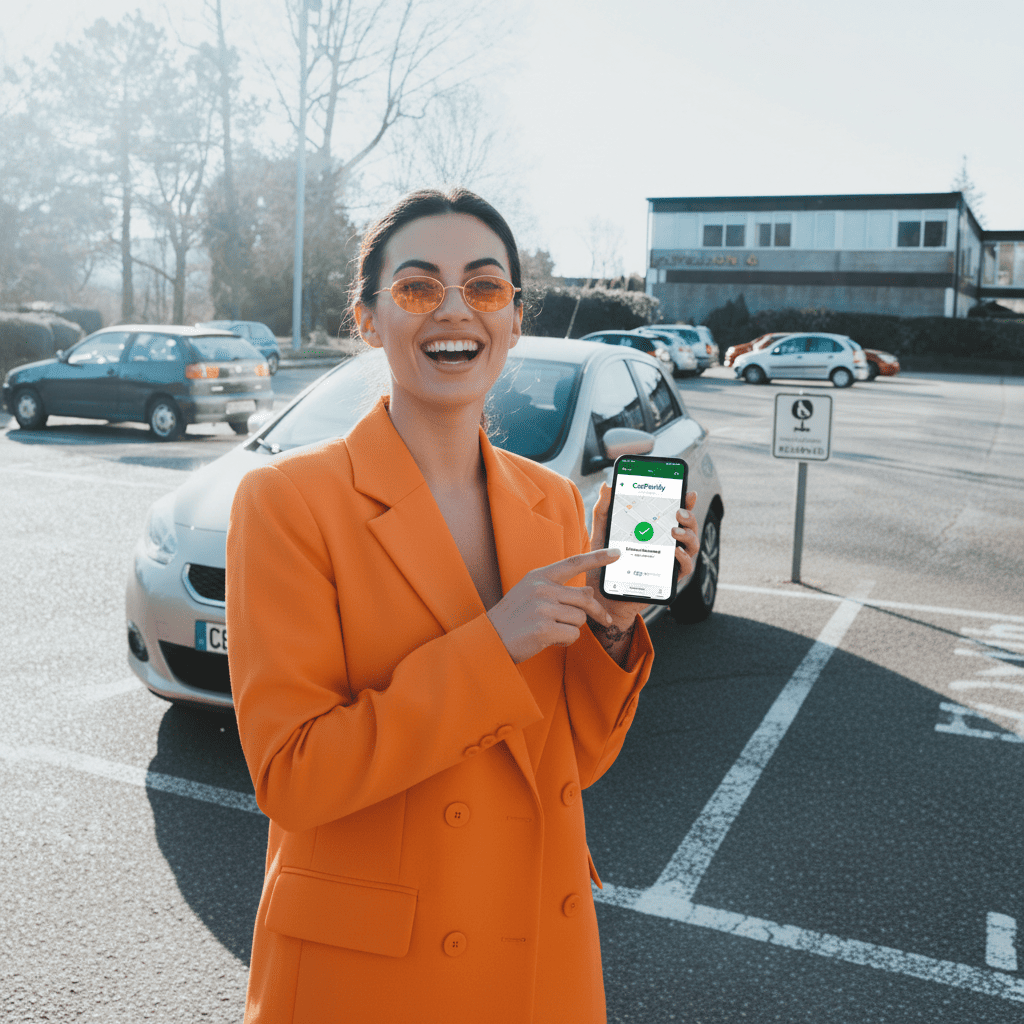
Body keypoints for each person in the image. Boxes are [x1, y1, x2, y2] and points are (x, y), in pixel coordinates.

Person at [225, 187, 700, 1024]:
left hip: (536, 954)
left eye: (484, 287)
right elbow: (293, 777)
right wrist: (494, 644)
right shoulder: (288, 501)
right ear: (369, 320)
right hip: (369, 979)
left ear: (513, 320)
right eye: (417, 287)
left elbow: (570, 764)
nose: (454, 310)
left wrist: (615, 630)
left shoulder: (553, 502)